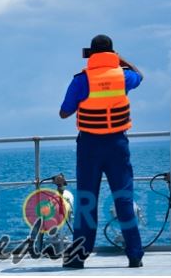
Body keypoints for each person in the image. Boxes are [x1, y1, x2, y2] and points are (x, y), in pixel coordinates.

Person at [59, 34, 144, 269]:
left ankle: (78, 257)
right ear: (112, 54)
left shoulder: (81, 80)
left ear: (92, 54)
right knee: (124, 200)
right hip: (117, 145)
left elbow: (64, 112)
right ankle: (135, 255)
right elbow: (140, 76)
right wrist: (120, 60)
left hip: (89, 147)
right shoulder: (123, 76)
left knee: (87, 201)